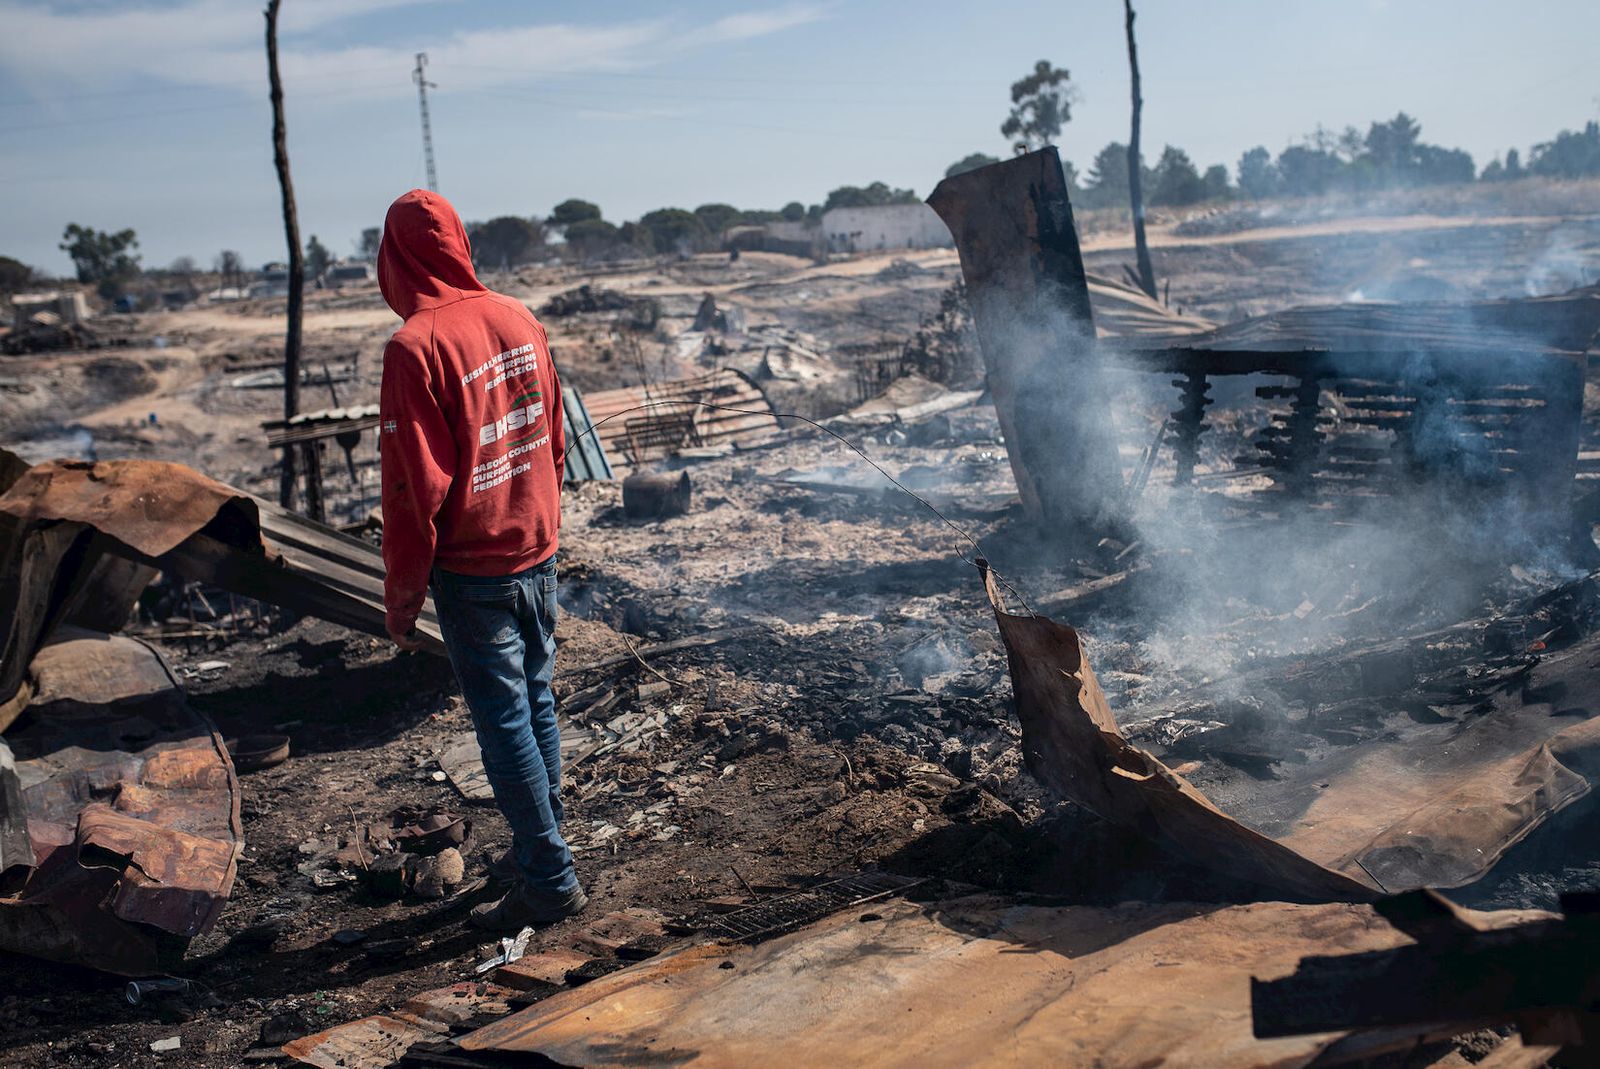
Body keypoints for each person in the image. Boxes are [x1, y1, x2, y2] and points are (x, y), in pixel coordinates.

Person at [376, 188, 586, 930]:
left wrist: (401, 598)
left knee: (504, 723)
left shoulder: (415, 348)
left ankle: (550, 878)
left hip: (476, 570)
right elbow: (554, 438)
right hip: (537, 548)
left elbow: (410, 492)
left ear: (395, 258)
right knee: (535, 704)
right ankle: (539, 851)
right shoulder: (518, 316)